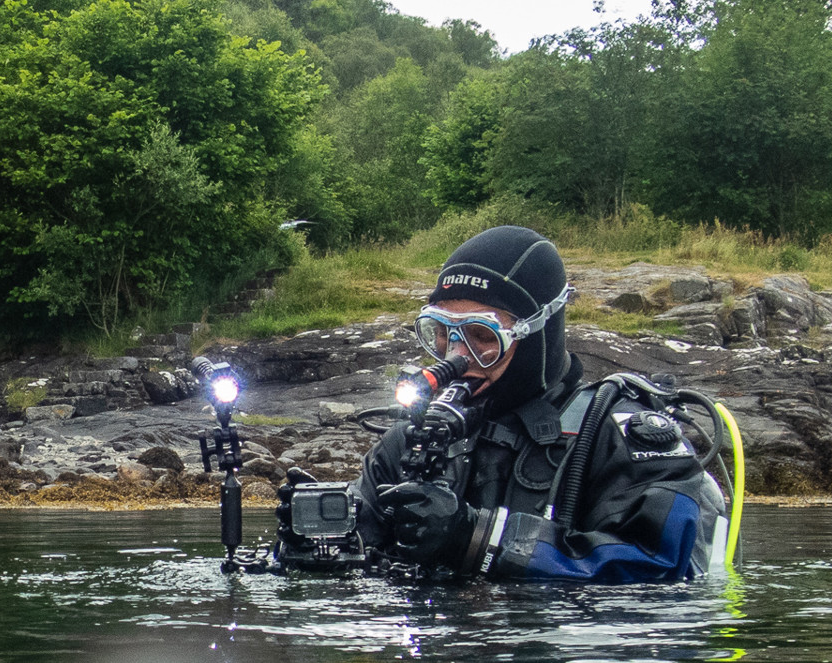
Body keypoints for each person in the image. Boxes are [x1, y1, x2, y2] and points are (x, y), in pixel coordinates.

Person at [288, 225, 730, 582]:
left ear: (537, 334)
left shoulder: (618, 435)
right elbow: (361, 575)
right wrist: (319, 542)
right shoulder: (410, 442)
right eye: (443, 334)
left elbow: (670, 569)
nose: (458, 359)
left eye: (482, 337)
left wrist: (476, 538)